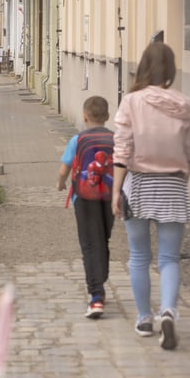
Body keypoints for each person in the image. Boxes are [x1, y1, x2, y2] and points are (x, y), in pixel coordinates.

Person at [111, 42, 190, 350]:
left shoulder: (131, 102)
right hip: (172, 185)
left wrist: (116, 191)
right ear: (171, 70)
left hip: (139, 184)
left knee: (139, 257)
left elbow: (122, 149)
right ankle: (168, 311)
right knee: (170, 258)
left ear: (143, 66)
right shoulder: (184, 105)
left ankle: (145, 317)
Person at [56, 96, 115, 319]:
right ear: (107, 117)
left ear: (84, 116)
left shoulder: (77, 140)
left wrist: (60, 184)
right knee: (103, 239)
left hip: (84, 198)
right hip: (109, 197)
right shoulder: (115, 139)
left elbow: (64, 169)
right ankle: (101, 278)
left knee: (90, 244)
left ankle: (96, 297)